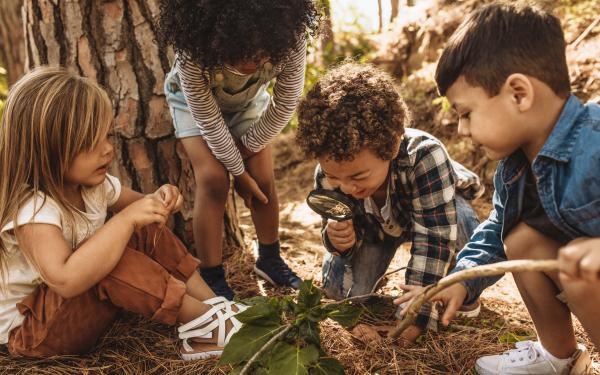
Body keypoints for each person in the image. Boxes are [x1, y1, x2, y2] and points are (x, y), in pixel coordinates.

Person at [396, 3, 599, 374]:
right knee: (519, 239)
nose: (461, 130)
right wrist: (461, 280)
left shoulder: (595, 141)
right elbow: (494, 233)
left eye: (466, 113)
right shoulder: (513, 171)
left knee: (582, 272)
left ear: (518, 94)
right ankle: (558, 357)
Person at [0, 67, 246, 360]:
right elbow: (66, 280)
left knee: (141, 227)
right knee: (112, 254)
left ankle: (214, 306)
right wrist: (126, 220)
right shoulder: (34, 211)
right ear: (47, 151)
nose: (107, 150)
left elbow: (142, 208)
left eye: (107, 136)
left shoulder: (93, 186)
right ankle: (206, 327)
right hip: (33, 333)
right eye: (91, 143)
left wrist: (159, 200)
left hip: (69, 313)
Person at [296, 62, 484, 343]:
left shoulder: (426, 156)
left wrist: (414, 316)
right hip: (374, 232)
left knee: (463, 224)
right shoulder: (330, 172)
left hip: (432, 213)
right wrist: (338, 241)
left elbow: (433, 238)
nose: (347, 187)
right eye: (336, 178)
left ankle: (462, 288)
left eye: (359, 175)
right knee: (339, 291)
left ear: (393, 146)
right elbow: (332, 227)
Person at [157, 0, 320, 299]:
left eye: (260, 54)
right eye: (239, 53)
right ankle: (212, 275)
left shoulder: (291, 35)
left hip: (247, 104)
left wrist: (245, 157)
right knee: (213, 180)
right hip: (193, 106)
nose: (251, 64)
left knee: (263, 178)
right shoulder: (192, 47)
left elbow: (285, 104)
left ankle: (270, 259)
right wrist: (237, 173)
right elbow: (206, 118)